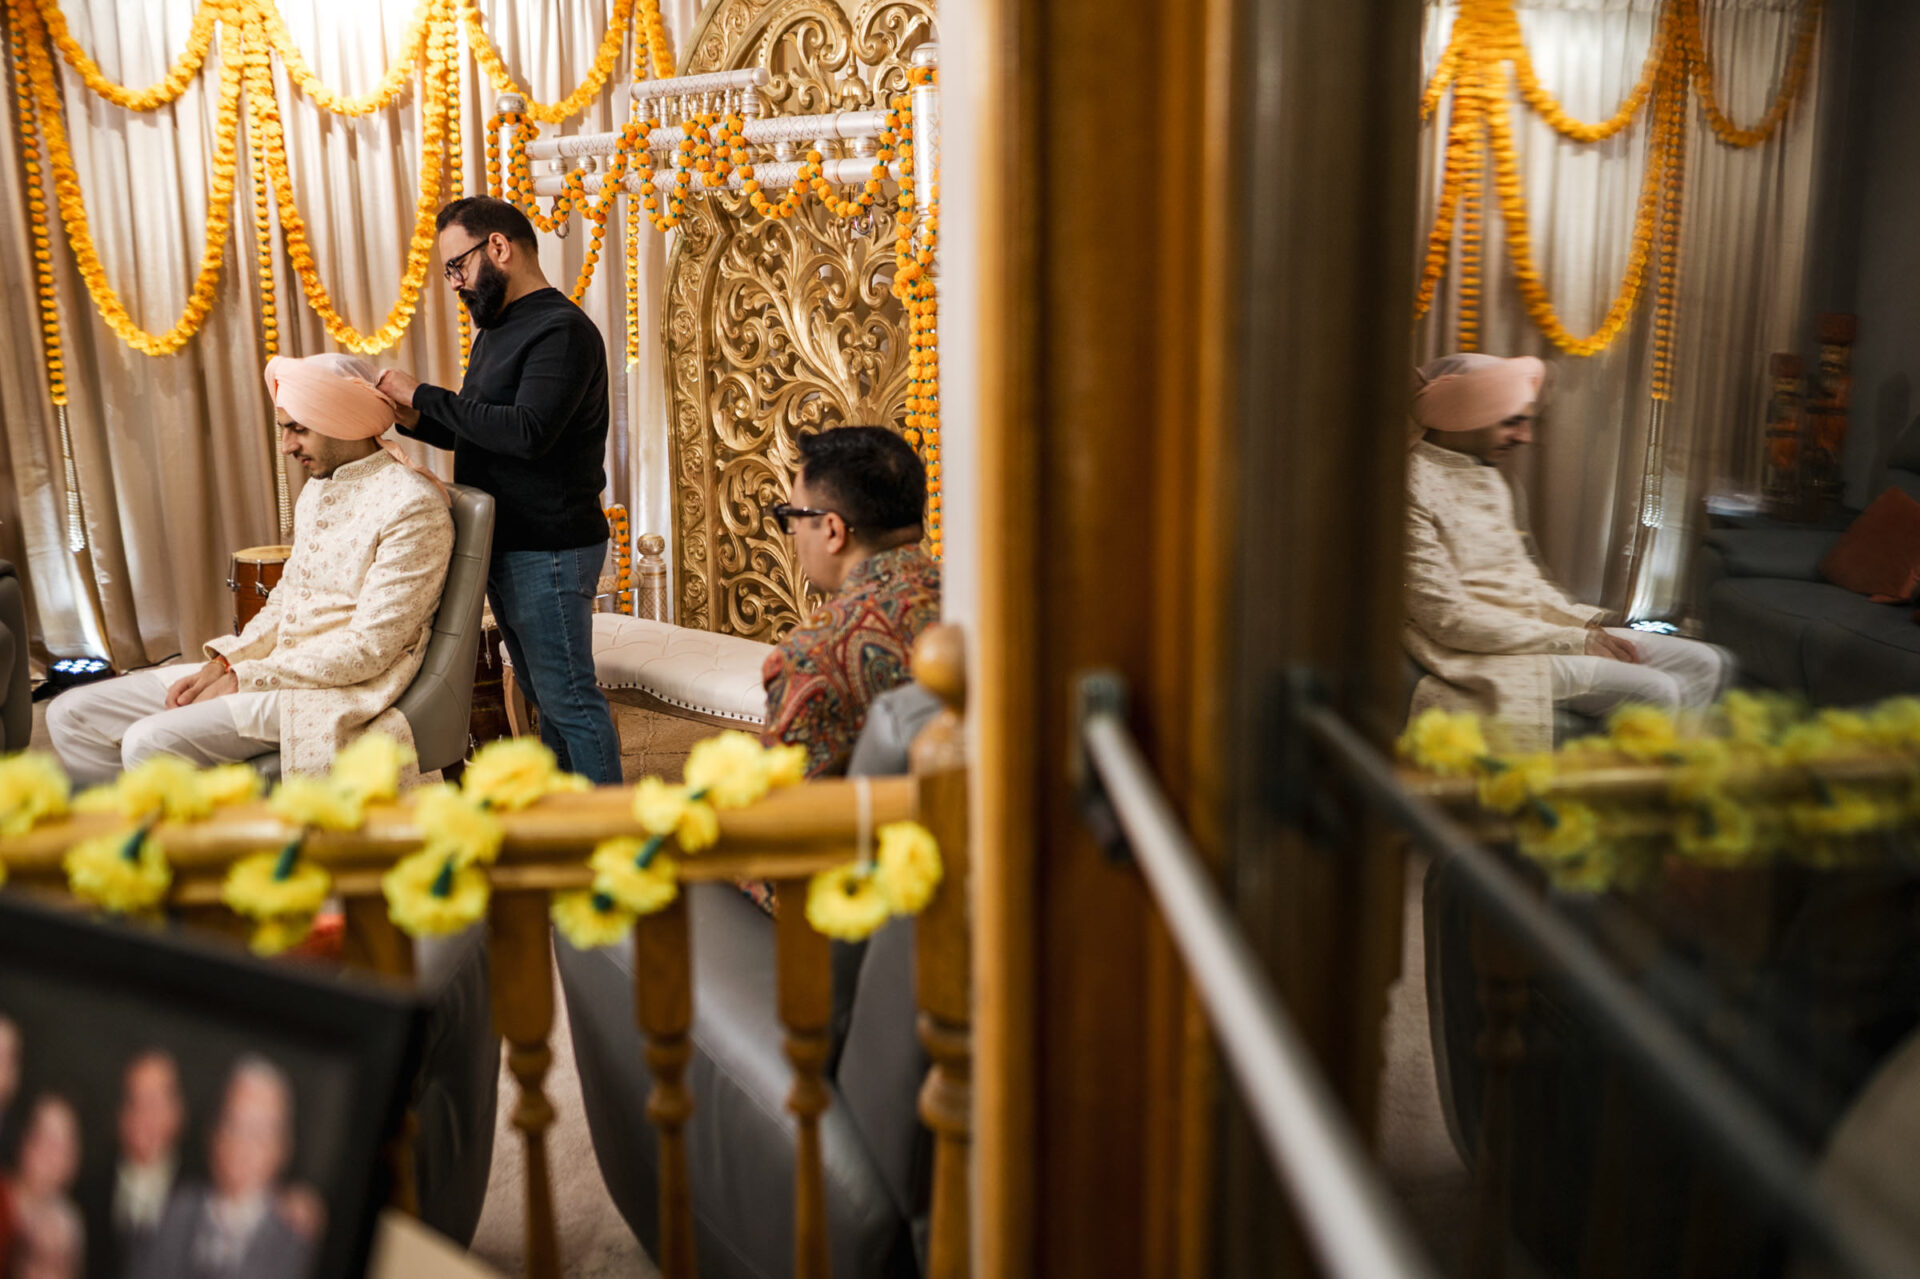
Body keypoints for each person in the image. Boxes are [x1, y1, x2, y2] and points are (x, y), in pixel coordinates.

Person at [46, 355, 454, 784]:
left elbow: (370, 649)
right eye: (284, 429)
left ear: (343, 419)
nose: (287, 446)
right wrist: (226, 663)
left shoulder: (411, 505)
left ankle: (198, 846)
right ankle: (123, 836)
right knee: (70, 714)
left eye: (298, 428)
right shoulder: (318, 490)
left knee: (149, 741)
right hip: (276, 667)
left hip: (340, 691)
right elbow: (285, 601)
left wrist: (248, 677)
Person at [377, 196, 622, 785]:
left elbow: (528, 433)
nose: (455, 283)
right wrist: (407, 415)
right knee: (544, 692)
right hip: (510, 542)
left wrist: (423, 394)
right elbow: (480, 426)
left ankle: (614, 831)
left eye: (456, 266)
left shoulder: (561, 330)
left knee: (568, 700)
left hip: (551, 547)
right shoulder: (497, 330)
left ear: (498, 248)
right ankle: (571, 815)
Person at [1405, 352, 1731, 751]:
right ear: (1463, 414)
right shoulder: (1410, 484)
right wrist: (1571, 640)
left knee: (1705, 662)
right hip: (1478, 653)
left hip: (1536, 633)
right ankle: (1622, 800)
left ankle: (1677, 785)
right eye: (1512, 421)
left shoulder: (1487, 478)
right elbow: (1447, 620)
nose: (1524, 437)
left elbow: (1521, 584)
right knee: (1655, 691)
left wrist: (1590, 621)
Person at [761, 426, 942, 778]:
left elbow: (783, 811)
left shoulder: (811, 655)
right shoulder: (977, 605)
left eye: (793, 517)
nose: (794, 536)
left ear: (832, 530)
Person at [130, 1058, 308, 1279]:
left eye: (259, 1132)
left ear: (282, 1148)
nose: (242, 1145)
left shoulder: (299, 1237)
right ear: (214, 1133)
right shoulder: (172, 1214)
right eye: (233, 1125)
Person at [82, 1052, 185, 1279]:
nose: (145, 1115)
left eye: (155, 1102)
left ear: (177, 1111)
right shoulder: (88, 1187)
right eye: (135, 1101)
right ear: (120, 1113)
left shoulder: (198, 1193)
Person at [6, 1095, 84, 1279]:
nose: (53, 1156)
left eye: (63, 1145)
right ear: (24, 1143)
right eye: (45, 1139)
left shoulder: (70, 1222)